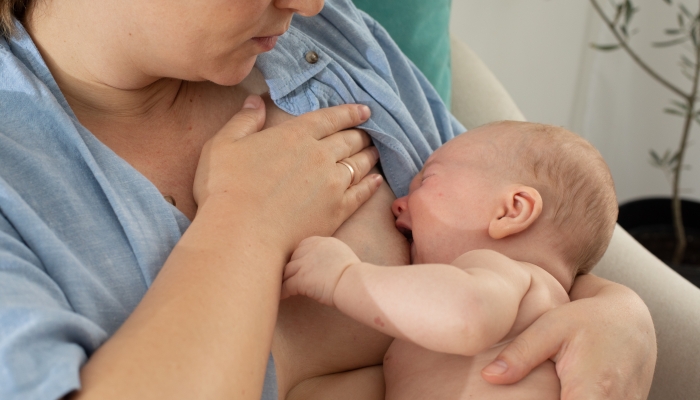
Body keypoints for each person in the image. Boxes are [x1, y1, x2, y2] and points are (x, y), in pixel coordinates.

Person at [0, 0, 655, 399]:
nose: (311, 2)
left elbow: (523, 230)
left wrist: (621, 314)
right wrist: (243, 223)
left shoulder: (330, 38)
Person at [281, 121, 618, 399]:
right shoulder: (534, 311)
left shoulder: (511, 275)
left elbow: (466, 315)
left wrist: (343, 277)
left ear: (511, 211)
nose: (400, 202)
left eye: (427, 179)